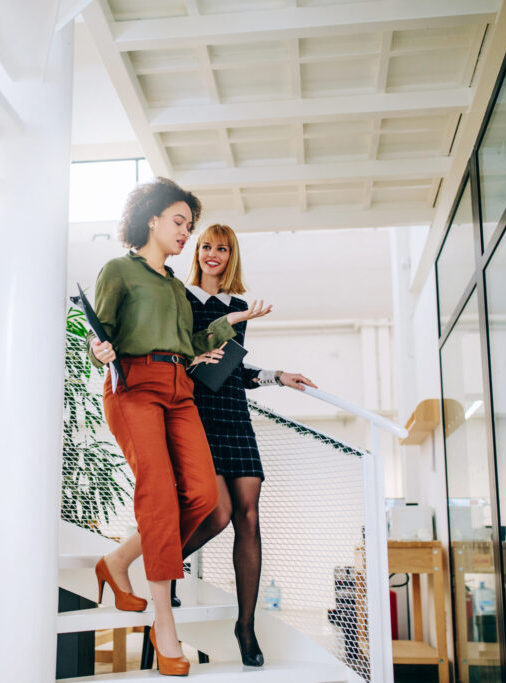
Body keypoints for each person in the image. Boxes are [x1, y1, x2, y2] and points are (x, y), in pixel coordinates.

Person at [88, 179, 269, 676]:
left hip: (179, 389)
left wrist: (231, 323)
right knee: (160, 495)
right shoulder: (119, 271)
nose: (186, 233)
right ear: (152, 219)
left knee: (206, 499)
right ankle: (162, 619)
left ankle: (119, 561)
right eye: (181, 223)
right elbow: (98, 333)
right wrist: (100, 350)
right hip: (135, 386)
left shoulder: (172, 284)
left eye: (189, 226)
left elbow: (191, 344)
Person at [182, 223, 316, 667]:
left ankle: (245, 625)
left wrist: (278, 376)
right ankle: (164, 565)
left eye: (221, 248)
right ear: (196, 252)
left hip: (235, 415)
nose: (212, 254)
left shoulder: (238, 305)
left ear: (231, 255)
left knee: (249, 517)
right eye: (205, 246)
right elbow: (183, 357)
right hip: (197, 416)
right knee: (217, 513)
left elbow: (233, 368)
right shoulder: (181, 298)